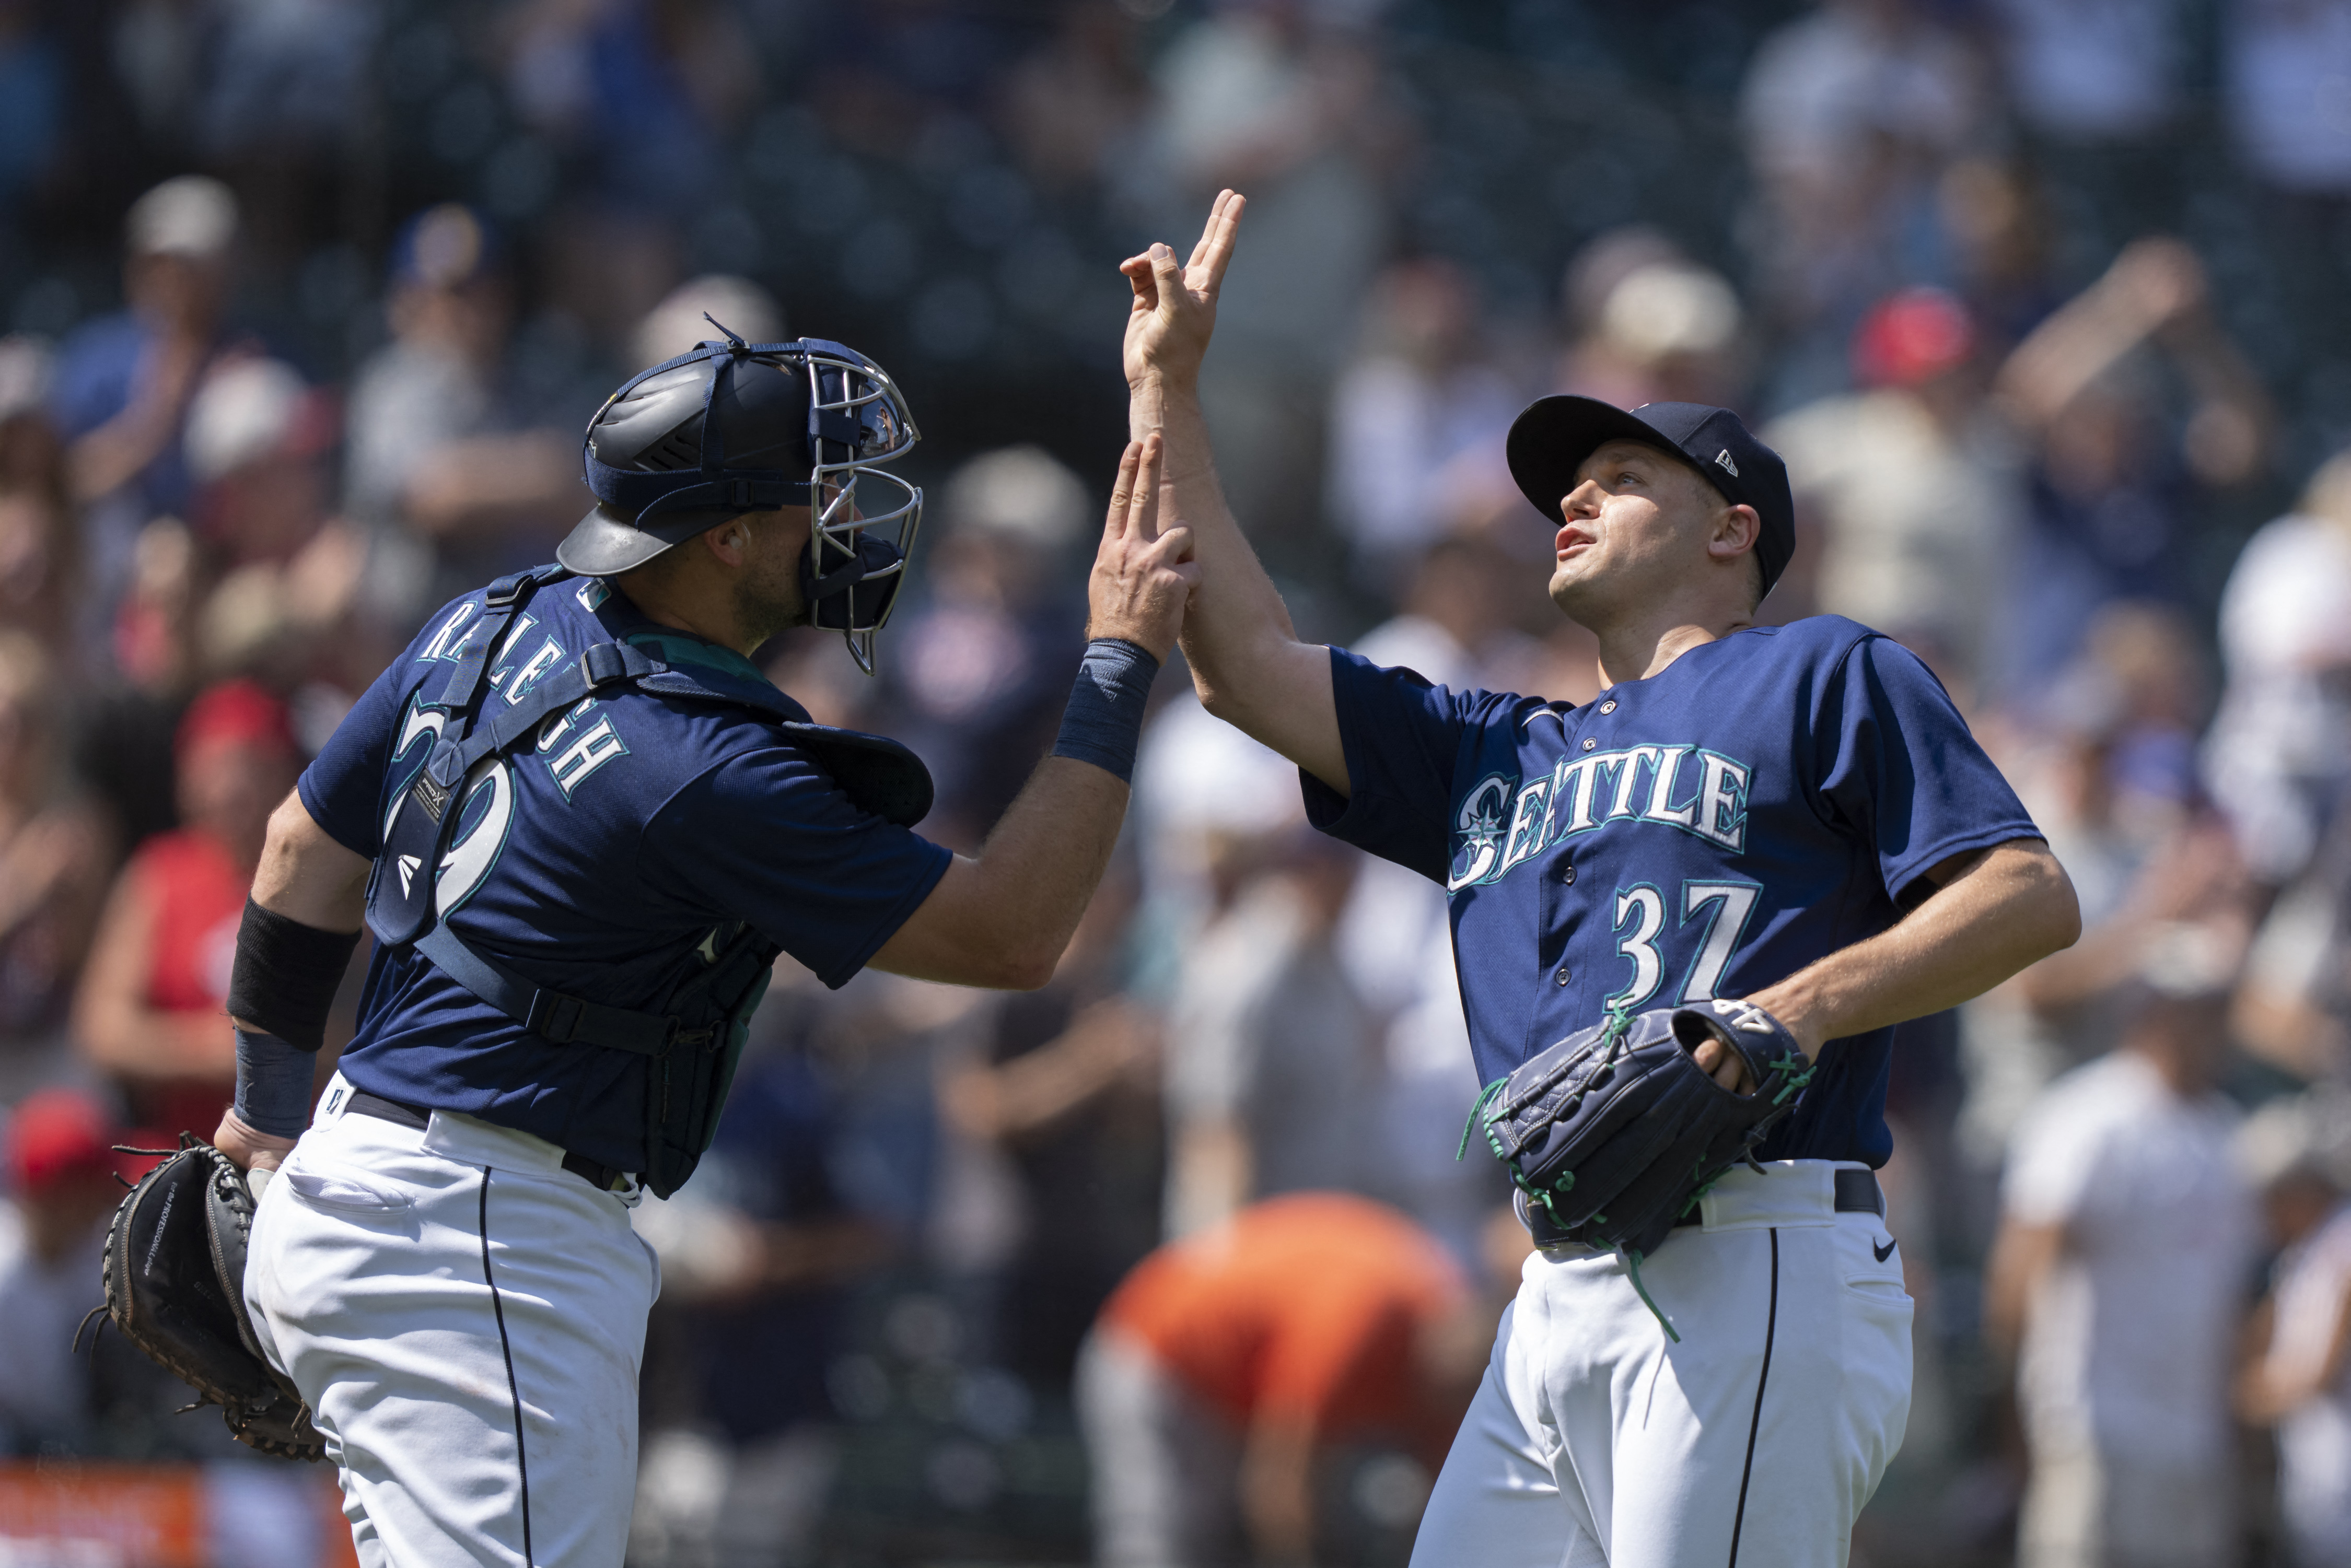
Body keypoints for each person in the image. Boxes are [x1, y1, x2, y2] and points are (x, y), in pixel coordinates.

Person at [1121, 192, 2082, 1566]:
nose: (1570, 497)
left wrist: (1790, 1011)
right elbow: (1242, 667)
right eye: (1564, 486)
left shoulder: (1820, 670)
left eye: (1621, 477)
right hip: (1553, 1291)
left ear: (1729, 528)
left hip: (1754, 1252)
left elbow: (2026, 894)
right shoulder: (1498, 744)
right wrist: (1167, 393)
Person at [207, 330, 1197, 1566]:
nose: (839, 513)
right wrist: (1113, 662)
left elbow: (301, 849)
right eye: (809, 490)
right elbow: (1012, 930)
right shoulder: (703, 763)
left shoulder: (484, 623)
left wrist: (258, 1116)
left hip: (360, 1175)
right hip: (480, 1239)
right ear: (723, 536)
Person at [1985, 961, 2253, 1568]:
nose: (2209, 1024)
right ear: (2152, 1011)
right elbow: (2021, 1268)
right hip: (2093, 1419)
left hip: (2194, 1435)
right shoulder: (2089, 1116)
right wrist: (2013, 1417)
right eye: (2194, 1007)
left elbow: (2225, 1296)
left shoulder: (2222, 1132)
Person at [1077, 1191, 1489, 1566]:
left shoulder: (1463, 1367)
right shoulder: (1362, 1313)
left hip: (1245, 1390)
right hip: (1161, 1355)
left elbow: (1452, 1503)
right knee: (1161, 1540)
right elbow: (1277, 1484)